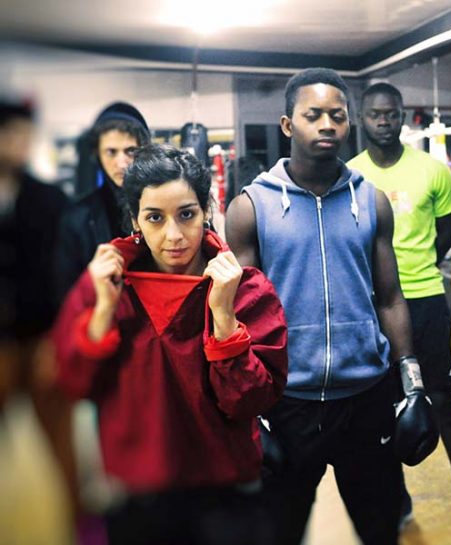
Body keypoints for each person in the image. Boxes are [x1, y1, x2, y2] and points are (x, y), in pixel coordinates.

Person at [51, 144, 288, 545]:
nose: (174, 235)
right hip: (137, 491)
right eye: (155, 218)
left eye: (187, 214)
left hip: (225, 488)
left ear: (206, 211)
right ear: (135, 220)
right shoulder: (107, 284)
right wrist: (103, 311)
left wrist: (224, 317)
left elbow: (254, 400)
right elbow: (74, 383)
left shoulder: (246, 289)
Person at [226, 68, 419, 545]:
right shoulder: (251, 207)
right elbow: (238, 313)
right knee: (280, 532)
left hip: (365, 399)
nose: (327, 125)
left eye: (337, 115)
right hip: (288, 402)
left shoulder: (371, 201)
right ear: (288, 125)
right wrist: (252, 414)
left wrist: (413, 386)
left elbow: (390, 297)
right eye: (313, 116)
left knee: (381, 530)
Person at [346, 82, 451, 531]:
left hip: (424, 299)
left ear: (403, 116)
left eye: (391, 114)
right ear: (362, 118)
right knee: (382, 404)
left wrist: (414, 265)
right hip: (374, 306)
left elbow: (446, 233)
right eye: (375, 115)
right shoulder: (351, 175)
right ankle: (396, 493)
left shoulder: (434, 171)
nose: (384, 122)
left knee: (441, 398)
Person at [0, 96, 73, 544]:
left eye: (26, 136)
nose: (20, 145)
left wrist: (56, 338)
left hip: (41, 335)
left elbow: (62, 275)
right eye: (11, 135)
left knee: (60, 442)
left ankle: (73, 527)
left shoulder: (49, 200)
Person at [56, 102, 150, 299]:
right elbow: (65, 294)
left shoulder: (163, 204)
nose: (121, 162)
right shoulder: (77, 217)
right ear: (97, 154)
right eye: (111, 152)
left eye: (130, 150)